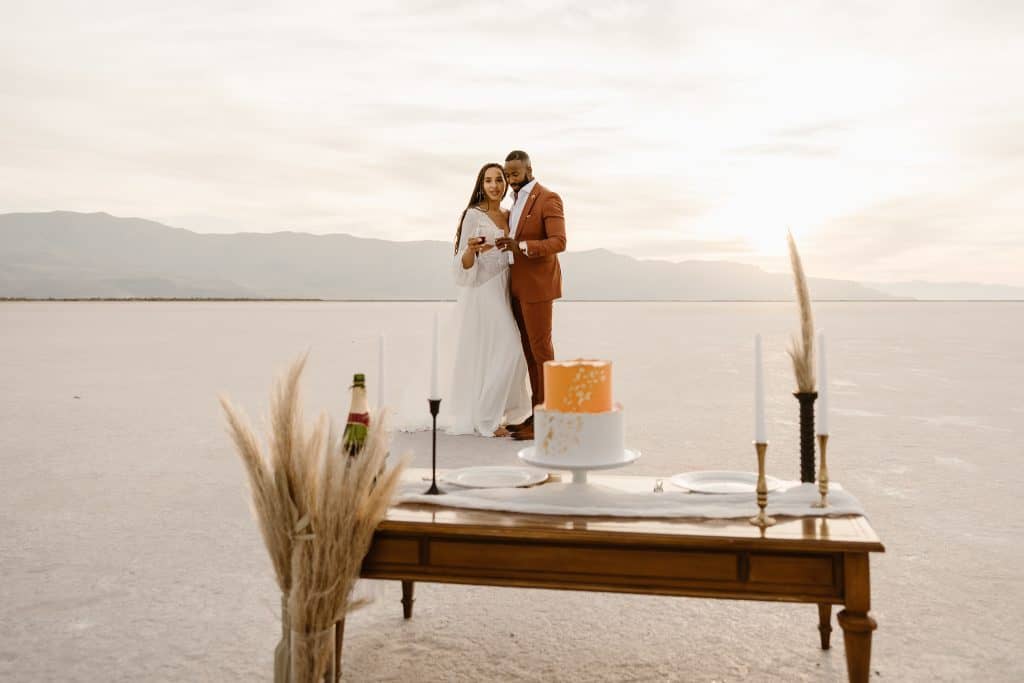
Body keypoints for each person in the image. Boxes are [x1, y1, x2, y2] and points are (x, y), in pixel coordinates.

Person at [447, 163, 532, 437]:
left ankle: (506, 413)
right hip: (484, 289)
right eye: (488, 181)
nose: (494, 185)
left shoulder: (509, 215)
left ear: (506, 183)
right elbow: (462, 262)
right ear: (481, 185)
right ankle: (486, 420)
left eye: (499, 180)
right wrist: (472, 250)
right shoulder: (473, 215)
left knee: (498, 352)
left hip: (506, 287)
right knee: (511, 347)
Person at [495, 150, 567, 441]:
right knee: (528, 354)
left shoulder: (548, 198)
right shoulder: (514, 203)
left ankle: (549, 419)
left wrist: (521, 247)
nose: (510, 178)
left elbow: (558, 242)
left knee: (542, 352)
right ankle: (537, 414)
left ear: (528, 169)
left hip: (538, 286)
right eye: (507, 173)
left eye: (515, 173)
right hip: (518, 286)